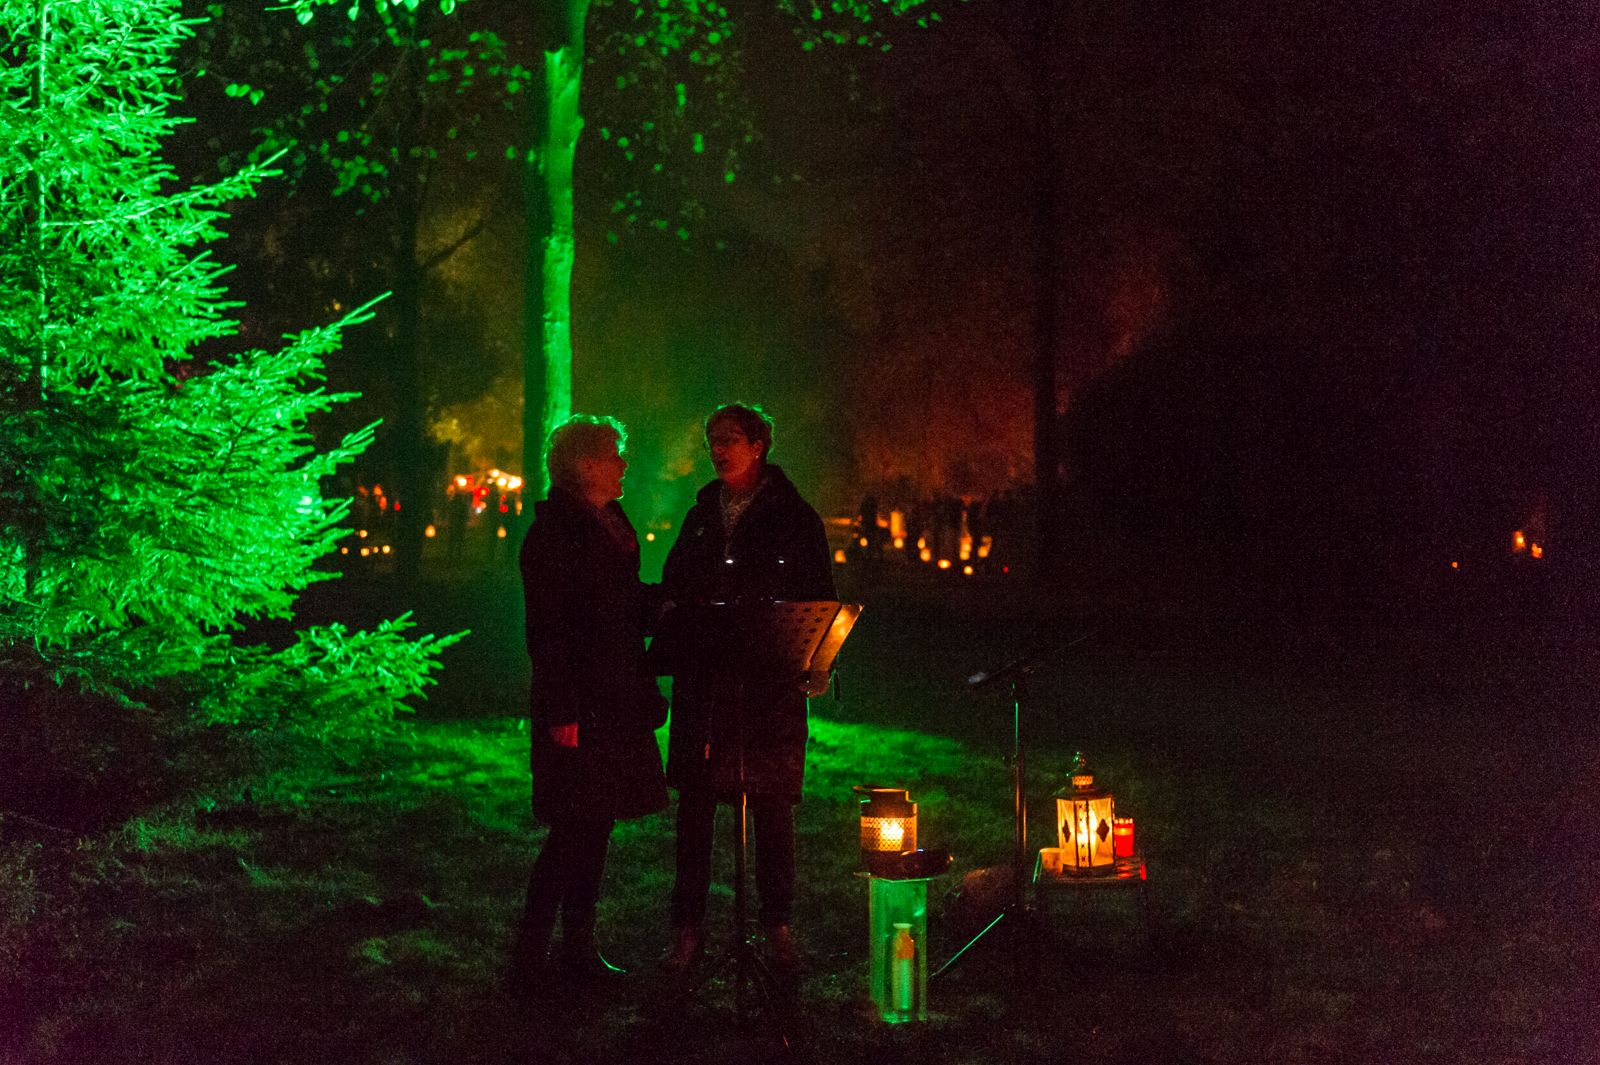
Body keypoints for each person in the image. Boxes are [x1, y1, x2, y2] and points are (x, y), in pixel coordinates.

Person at [658, 403, 835, 974]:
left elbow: (819, 595)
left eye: (729, 439)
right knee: (696, 809)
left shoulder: (795, 517)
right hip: (705, 684)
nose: (718, 449)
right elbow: (675, 582)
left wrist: (817, 662)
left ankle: (777, 925)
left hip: (768, 689)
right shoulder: (701, 515)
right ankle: (688, 929)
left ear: (758, 445)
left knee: (771, 807)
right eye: (712, 439)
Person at [507, 415, 668, 990]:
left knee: (594, 826)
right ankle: (531, 955)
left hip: (615, 698)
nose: (623, 463)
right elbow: (549, 631)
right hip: (583, 703)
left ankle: (578, 949)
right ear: (585, 464)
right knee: (573, 828)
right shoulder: (554, 535)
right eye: (614, 454)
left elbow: (620, 604)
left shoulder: (609, 523)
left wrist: (668, 606)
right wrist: (563, 711)